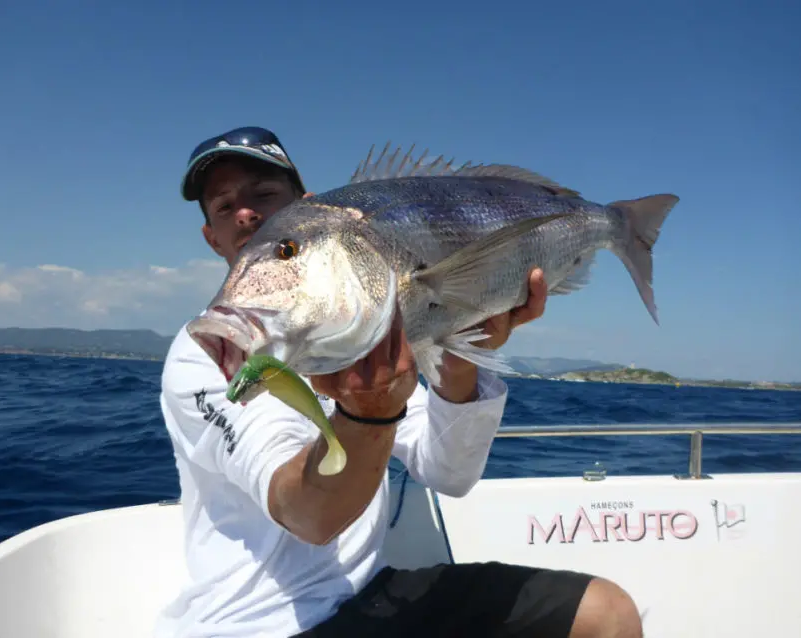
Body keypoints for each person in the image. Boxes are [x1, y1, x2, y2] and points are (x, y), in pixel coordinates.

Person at [155, 126, 643, 638]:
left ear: (308, 205)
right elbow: (308, 517)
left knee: (606, 615)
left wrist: (460, 350)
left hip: (373, 593)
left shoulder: (370, 332)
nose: (247, 213)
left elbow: (448, 474)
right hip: (260, 623)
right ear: (211, 236)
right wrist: (369, 412)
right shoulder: (208, 353)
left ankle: (619, 226)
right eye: (224, 206)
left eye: (266, 197)